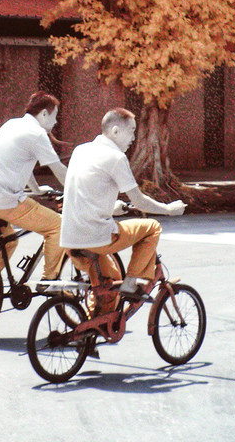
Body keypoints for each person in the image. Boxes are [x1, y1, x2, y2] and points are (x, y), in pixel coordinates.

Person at [60, 107, 185, 312]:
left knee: (109, 284)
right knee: (152, 227)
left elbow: (88, 193)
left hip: (69, 239)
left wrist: (113, 208)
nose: (134, 138)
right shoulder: (115, 157)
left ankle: (94, 327)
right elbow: (139, 201)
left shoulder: (80, 150)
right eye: (132, 131)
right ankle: (133, 282)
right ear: (116, 131)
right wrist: (169, 209)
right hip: (97, 237)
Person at [0, 92, 67, 285]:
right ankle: (50, 281)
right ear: (44, 114)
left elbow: (20, 163)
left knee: (9, 241)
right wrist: (80, 191)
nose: (55, 122)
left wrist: (36, 189)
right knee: (58, 226)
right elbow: (60, 171)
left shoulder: (11, 125)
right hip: (3, 202)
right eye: (55, 116)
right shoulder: (37, 134)